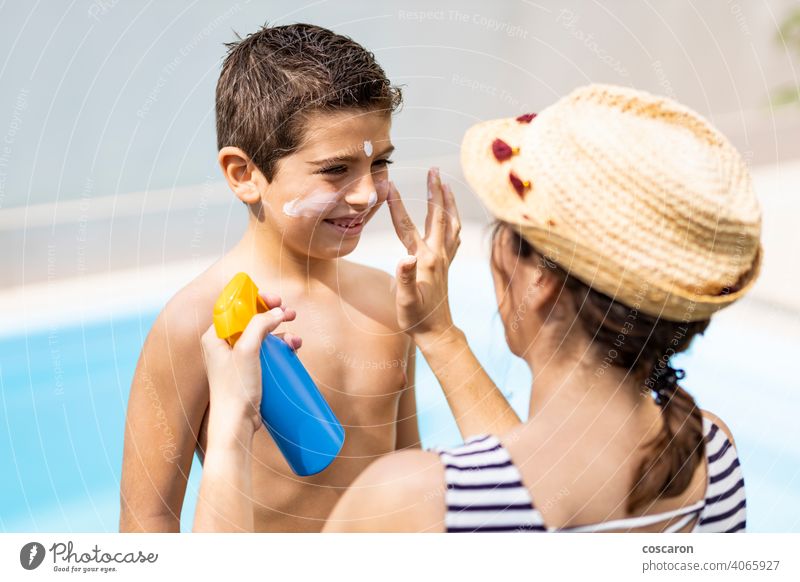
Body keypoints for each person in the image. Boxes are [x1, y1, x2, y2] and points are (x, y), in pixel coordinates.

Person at [195, 84, 760, 533]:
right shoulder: (713, 458)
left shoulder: (408, 506)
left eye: (506, 231)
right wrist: (438, 334)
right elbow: (527, 490)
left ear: (538, 279)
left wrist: (229, 428)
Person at [120, 23, 513, 533]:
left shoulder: (388, 300)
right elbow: (145, 524)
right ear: (244, 175)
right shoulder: (194, 323)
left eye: (380, 163)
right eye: (335, 170)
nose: (366, 194)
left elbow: (409, 473)